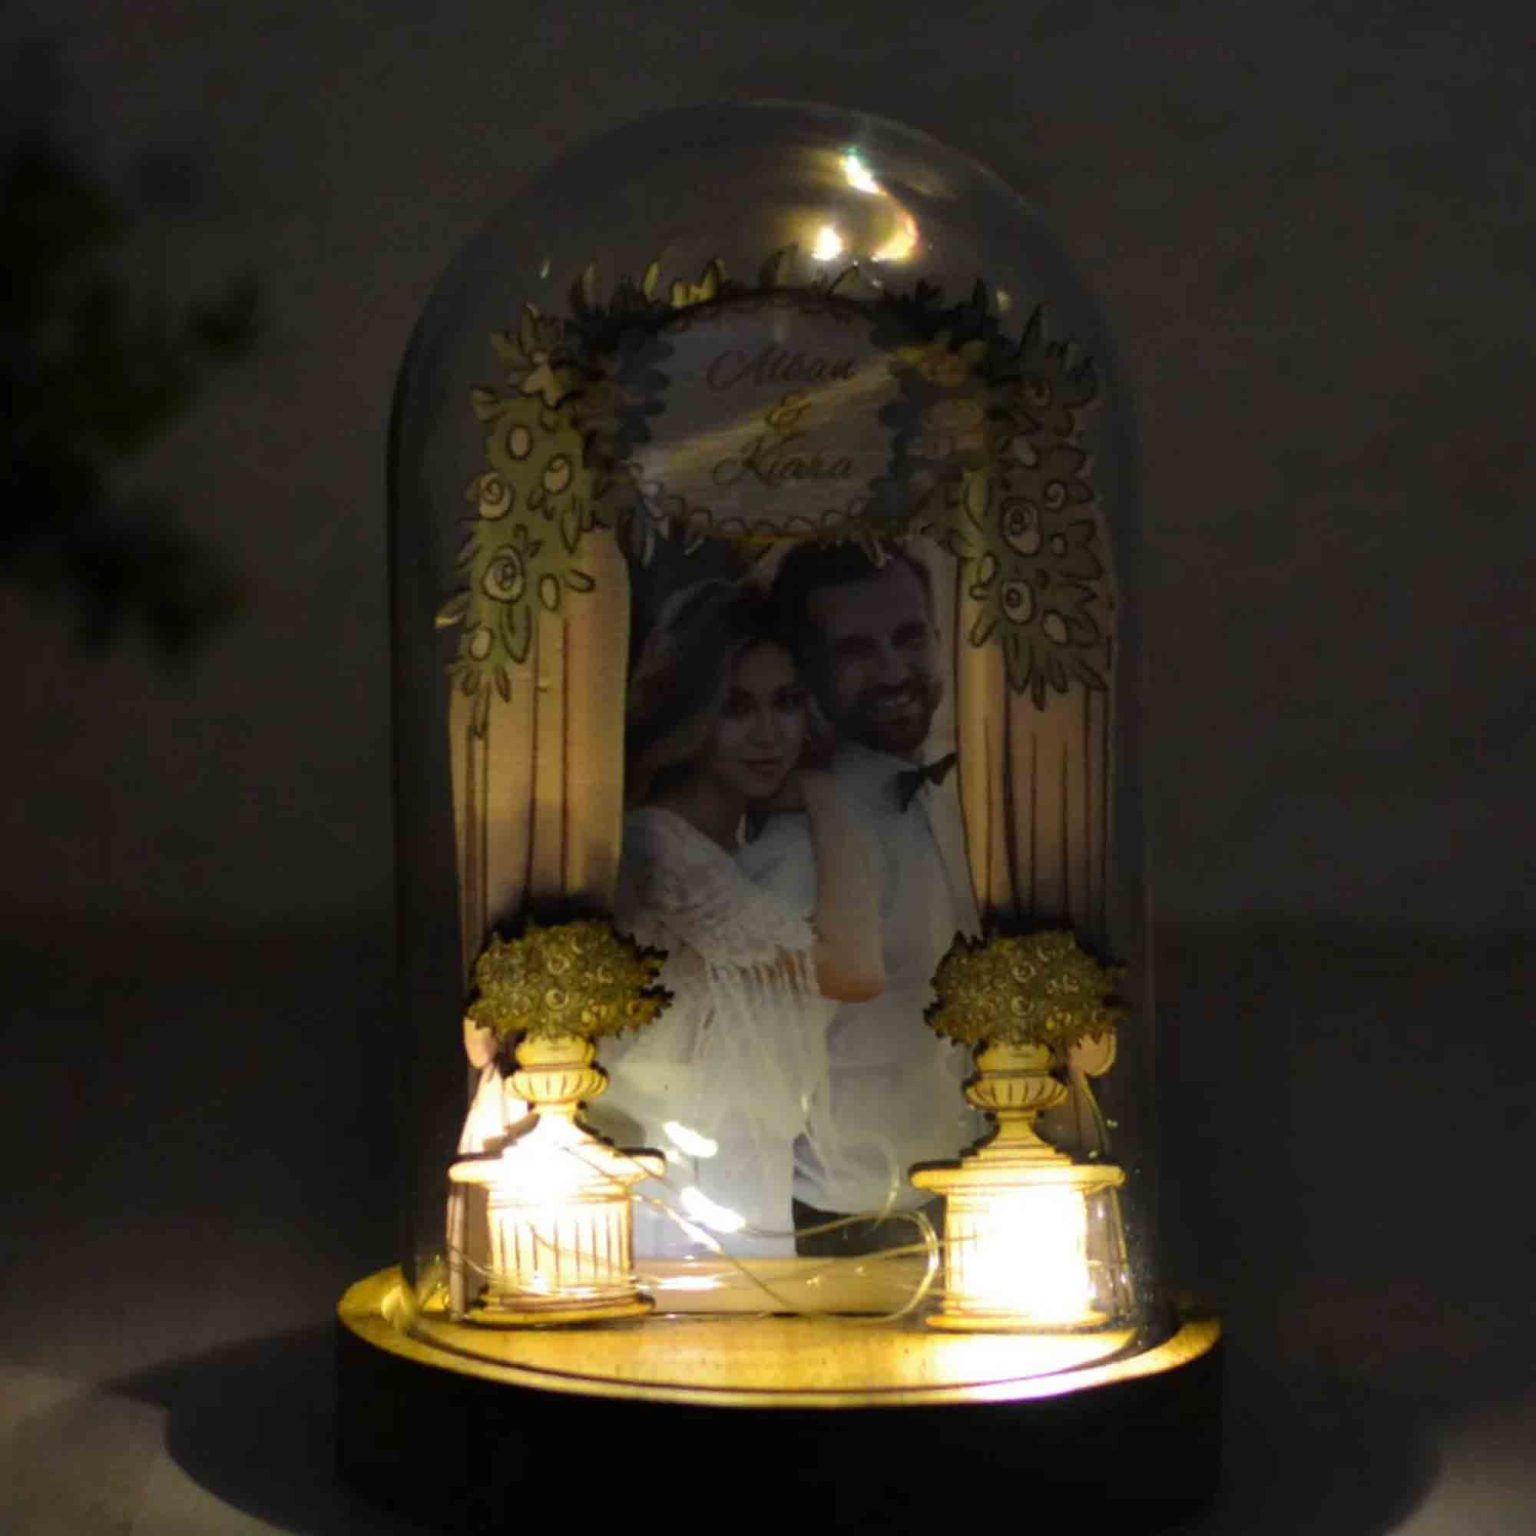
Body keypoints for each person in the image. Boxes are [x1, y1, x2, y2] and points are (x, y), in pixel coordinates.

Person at [584, 579, 884, 1260]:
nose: (768, 733)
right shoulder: (659, 846)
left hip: (735, 1176)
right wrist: (825, 798)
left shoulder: (737, 854)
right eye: (736, 707)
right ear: (693, 715)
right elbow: (854, 970)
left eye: (786, 703)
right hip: (670, 1187)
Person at [744, 540, 984, 1254]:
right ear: (808, 670)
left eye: (909, 637)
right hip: (844, 1220)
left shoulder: (972, 803)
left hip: (976, 1196)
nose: (894, 670)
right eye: (855, 650)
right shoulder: (802, 844)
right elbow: (754, 1070)